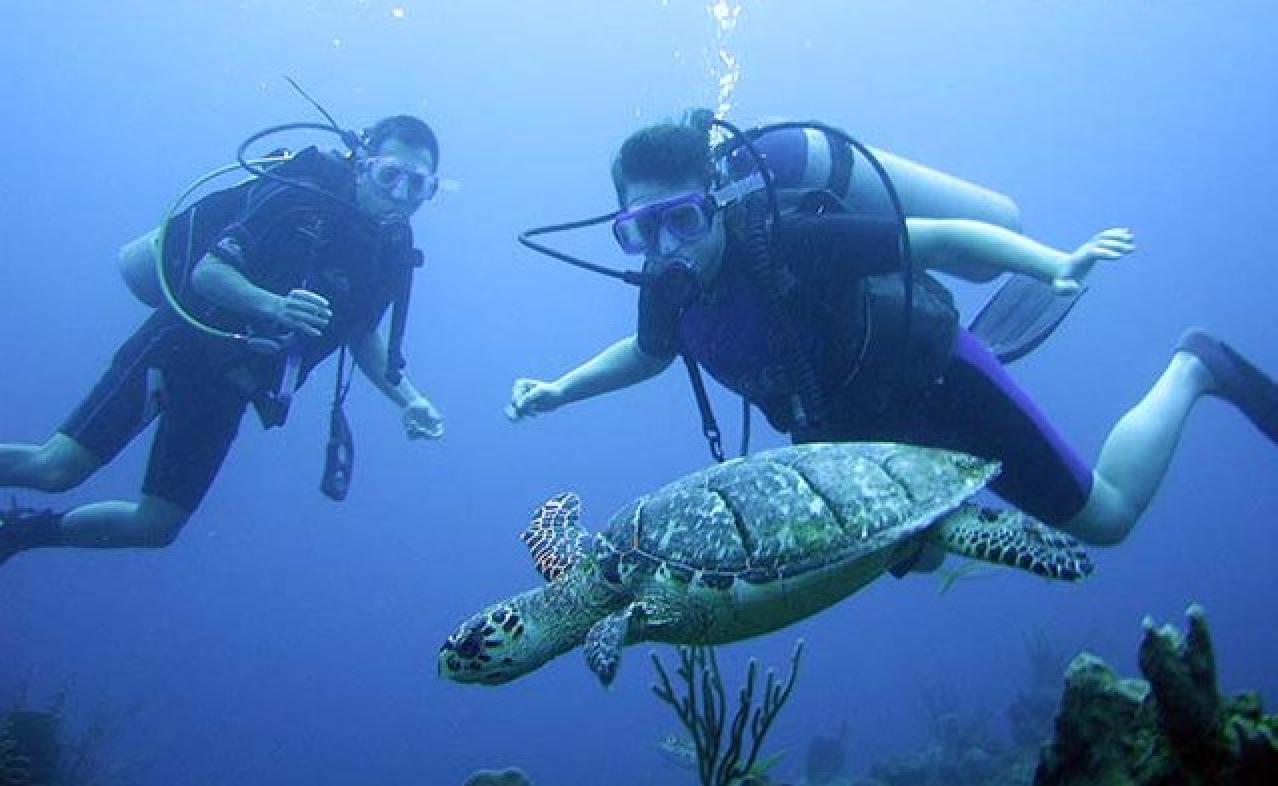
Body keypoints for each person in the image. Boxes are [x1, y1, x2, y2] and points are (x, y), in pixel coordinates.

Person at [507, 118, 1278, 550]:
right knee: (913, 549)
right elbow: (646, 356)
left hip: (936, 383)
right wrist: (560, 389)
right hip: (852, 438)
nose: (667, 248)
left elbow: (934, 238)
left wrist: (1053, 265)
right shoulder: (666, 291)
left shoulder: (787, 244)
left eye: (682, 219)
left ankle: (1194, 366)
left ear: (717, 205)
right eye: (640, 230)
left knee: (1106, 521)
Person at [0, 114, 445, 566]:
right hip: (182, 345)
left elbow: (362, 334)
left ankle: (16, 531)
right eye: (390, 175)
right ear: (362, 164)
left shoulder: (389, 253)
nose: (400, 195)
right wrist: (274, 305)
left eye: (418, 185)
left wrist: (408, 400)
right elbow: (208, 274)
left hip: (233, 385)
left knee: (157, 525)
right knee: (55, 468)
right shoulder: (298, 201)